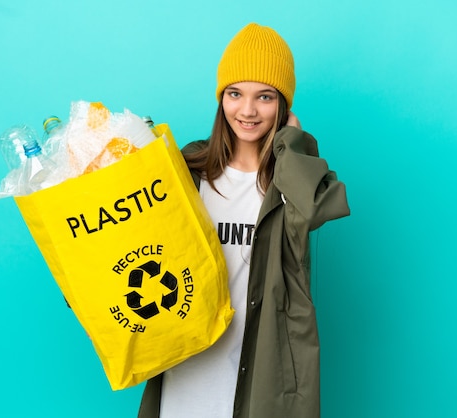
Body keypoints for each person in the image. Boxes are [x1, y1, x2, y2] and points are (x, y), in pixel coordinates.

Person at [138, 22, 350, 418]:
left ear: (283, 105)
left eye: (265, 97)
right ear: (221, 99)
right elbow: (137, 242)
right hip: (189, 366)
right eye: (235, 94)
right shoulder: (189, 170)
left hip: (261, 369)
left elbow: (319, 208)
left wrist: (290, 144)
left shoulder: (290, 177)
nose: (247, 111)